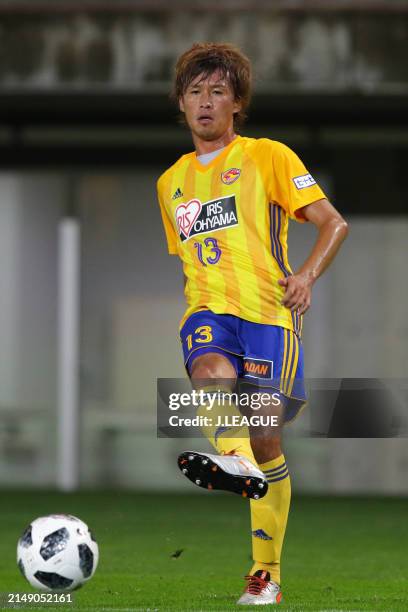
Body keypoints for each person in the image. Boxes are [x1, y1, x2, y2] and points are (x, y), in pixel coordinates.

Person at [157, 42, 348, 606]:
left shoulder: (269, 156)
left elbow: (333, 223)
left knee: (268, 442)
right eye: (195, 92)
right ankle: (233, 458)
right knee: (209, 370)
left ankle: (266, 574)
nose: (206, 103)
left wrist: (307, 276)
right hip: (208, 312)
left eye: (218, 91)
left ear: (236, 102)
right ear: (182, 104)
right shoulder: (170, 184)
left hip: (270, 317)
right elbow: (197, 258)